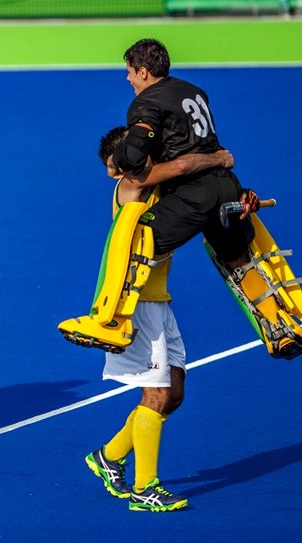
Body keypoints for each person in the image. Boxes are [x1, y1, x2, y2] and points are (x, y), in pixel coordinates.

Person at [58, 38, 302, 360]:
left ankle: (109, 321)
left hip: (194, 193)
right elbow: (199, 148)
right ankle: (283, 323)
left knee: (137, 235)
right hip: (226, 186)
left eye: (130, 72)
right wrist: (225, 169)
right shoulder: (195, 92)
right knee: (236, 259)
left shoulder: (146, 103)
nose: (128, 79)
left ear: (143, 71)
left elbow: (139, 155)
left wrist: (121, 155)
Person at [84, 126, 234, 512]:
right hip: (135, 308)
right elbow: (182, 166)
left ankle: (108, 457)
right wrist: (217, 158)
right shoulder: (130, 187)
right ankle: (144, 488)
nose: (109, 174)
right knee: (156, 394)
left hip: (159, 303)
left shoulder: (158, 188)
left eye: (113, 164)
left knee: (175, 394)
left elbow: (194, 194)